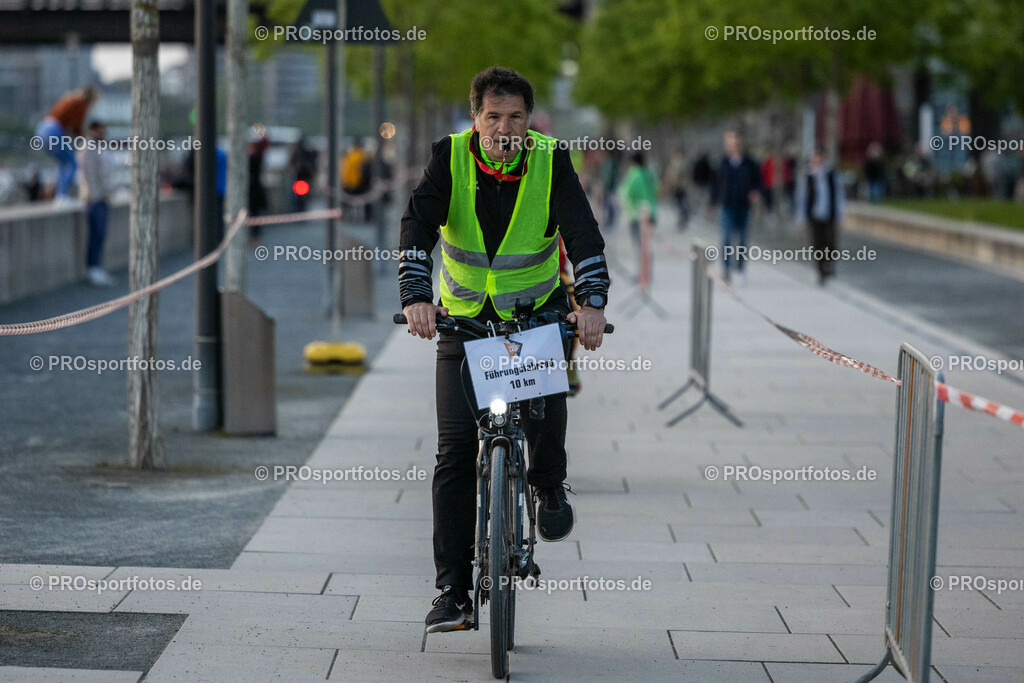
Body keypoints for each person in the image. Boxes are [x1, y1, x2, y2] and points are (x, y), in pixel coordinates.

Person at [398, 66, 610, 633]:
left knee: (546, 414)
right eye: (493, 116)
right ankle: (452, 592)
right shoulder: (449, 157)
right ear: (476, 118)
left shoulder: (550, 159)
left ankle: (547, 485)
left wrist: (590, 302)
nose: (505, 128)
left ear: (530, 119)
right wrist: (417, 296)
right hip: (462, 321)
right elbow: (417, 226)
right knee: (453, 452)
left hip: (532, 315)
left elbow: (582, 231)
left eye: (515, 116)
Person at [710, 130, 761, 284]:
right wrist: (712, 203)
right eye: (730, 143)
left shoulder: (750, 163)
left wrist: (755, 192)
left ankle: (740, 268)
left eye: (736, 142)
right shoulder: (723, 163)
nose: (734, 145)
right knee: (726, 237)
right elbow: (716, 184)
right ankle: (726, 268)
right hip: (727, 205)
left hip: (744, 206)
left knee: (742, 239)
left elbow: (757, 181)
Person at [35, 86, 98, 202]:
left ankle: (59, 195)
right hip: (53, 131)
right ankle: (61, 196)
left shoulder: (69, 99)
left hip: (43, 129)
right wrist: (88, 136)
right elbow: (76, 128)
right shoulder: (81, 104)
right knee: (72, 164)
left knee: (64, 164)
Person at [795, 148, 845, 285]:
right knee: (817, 244)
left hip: (829, 215)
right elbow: (802, 198)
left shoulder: (832, 175)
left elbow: (839, 197)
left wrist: (840, 215)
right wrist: (801, 217)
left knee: (830, 243)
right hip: (814, 216)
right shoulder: (808, 177)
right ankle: (820, 271)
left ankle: (828, 264)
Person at [78, 121, 116, 286]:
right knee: (96, 233)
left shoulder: (100, 147)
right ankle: (93, 268)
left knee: (101, 234)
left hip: (103, 197)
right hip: (95, 198)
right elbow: (88, 173)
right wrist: (93, 194)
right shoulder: (88, 148)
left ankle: (97, 267)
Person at [619, 151, 659, 280]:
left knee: (639, 245)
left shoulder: (634, 174)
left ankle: (642, 274)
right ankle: (648, 273)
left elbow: (627, 192)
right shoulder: (649, 173)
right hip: (651, 212)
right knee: (647, 245)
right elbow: (657, 190)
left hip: (636, 214)